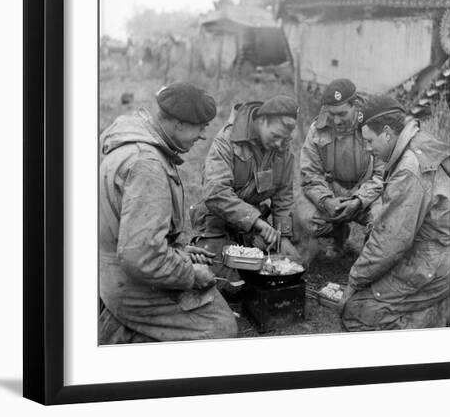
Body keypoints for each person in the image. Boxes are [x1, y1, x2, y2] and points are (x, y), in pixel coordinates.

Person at [99, 82, 238, 343]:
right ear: (179, 124)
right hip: (130, 285)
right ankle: (122, 337)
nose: (203, 135)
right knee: (221, 328)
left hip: (117, 272)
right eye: (200, 127)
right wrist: (190, 273)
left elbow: (131, 235)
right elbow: (141, 257)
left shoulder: (136, 145)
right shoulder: (147, 165)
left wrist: (178, 252)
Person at [340, 94, 450, 331]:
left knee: (356, 311)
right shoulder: (418, 141)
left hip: (436, 258)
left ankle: (429, 323)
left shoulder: (409, 168)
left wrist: (354, 279)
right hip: (441, 249)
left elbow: (390, 243)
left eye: (370, 141)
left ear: (388, 132)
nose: (368, 149)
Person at [190, 95, 302, 289]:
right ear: (262, 120)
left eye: (285, 139)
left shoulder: (283, 148)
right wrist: (257, 221)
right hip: (216, 219)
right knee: (229, 286)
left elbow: (283, 197)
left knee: (271, 268)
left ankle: (247, 244)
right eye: (275, 136)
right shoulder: (227, 140)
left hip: (251, 224)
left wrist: (283, 237)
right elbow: (216, 193)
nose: (279, 144)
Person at [294, 79, 384, 260]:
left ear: (356, 105)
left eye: (342, 114)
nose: (336, 120)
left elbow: (383, 174)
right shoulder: (317, 130)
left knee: (383, 219)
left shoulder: (372, 126)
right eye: (331, 114)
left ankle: (370, 258)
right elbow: (310, 173)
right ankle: (337, 236)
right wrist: (325, 201)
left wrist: (359, 201)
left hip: (367, 194)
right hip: (331, 192)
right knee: (304, 216)